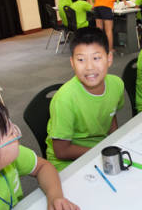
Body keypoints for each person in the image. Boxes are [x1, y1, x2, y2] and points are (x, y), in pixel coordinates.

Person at [46, 27, 124, 171]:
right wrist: (100, 152)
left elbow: (111, 115)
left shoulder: (116, 84)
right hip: (69, 163)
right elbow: (61, 151)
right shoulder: (64, 99)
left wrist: (113, 144)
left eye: (96, 58)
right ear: (72, 63)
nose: (89, 67)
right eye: (81, 59)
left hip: (100, 149)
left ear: (109, 59)